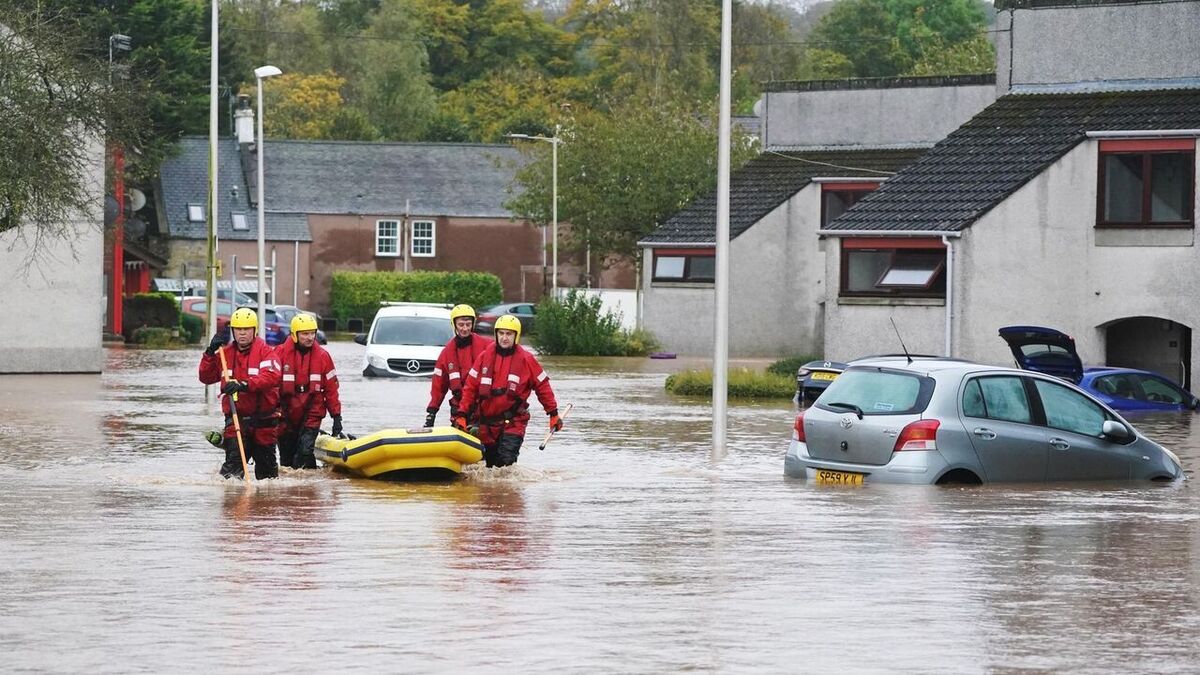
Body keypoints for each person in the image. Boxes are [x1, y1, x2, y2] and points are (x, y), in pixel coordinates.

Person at [454, 314, 562, 467]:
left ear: (516, 336)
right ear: (496, 335)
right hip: (486, 425)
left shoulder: (527, 360)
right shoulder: (484, 358)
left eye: (509, 334)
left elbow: (543, 387)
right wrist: (461, 414)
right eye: (501, 333)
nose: (505, 338)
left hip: (513, 422)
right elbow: (470, 388)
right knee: (487, 468)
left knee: (505, 467)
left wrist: (553, 414)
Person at [198, 307, 282, 479]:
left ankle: (264, 504)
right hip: (236, 420)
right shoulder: (225, 354)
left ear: (254, 330)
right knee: (231, 471)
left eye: (246, 329)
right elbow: (206, 377)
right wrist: (208, 353)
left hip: (264, 421)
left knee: (267, 474)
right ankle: (233, 502)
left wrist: (243, 385)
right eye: (238, 329)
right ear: (233, 331)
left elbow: (272, 377)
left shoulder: (266, 353)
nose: (242, 333)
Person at [274, 313, 343, 469]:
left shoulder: (323, 357)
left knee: (305, 452)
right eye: (305, 334)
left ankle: (310, 489)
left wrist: (336, 416)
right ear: (294, 335)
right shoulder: (279, 354)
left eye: (313, 333)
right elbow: (270, 387)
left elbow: (331, 389)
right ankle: (295, 490)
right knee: (286, 460)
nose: (310, 337)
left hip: (312, 411)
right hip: (285, 414)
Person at [425, 304, 492, 428]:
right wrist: (432, 412)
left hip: (482, 407)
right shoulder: (447, 353)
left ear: (473, 324)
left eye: (468, 325)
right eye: (461, 325)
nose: (465, 329)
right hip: (459, 406)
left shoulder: (487, 346)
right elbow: (438, 385)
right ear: (454, 325)